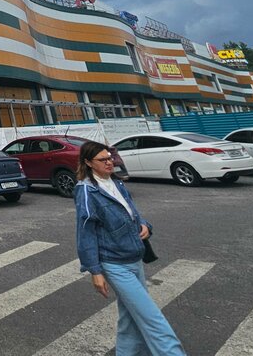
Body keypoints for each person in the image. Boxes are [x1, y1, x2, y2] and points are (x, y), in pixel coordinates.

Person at [75, 140, 185, 356]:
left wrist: (145, 225)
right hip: (114, 263)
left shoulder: (116, 183)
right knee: (152, 318)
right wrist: (95, 271)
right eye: (102, 160)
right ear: (88, 162)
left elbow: (131, 212)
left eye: (110, 158)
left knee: (130, 316)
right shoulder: (87, 191)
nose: (109, 162)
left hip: (134, 257)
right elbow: (85, 232)